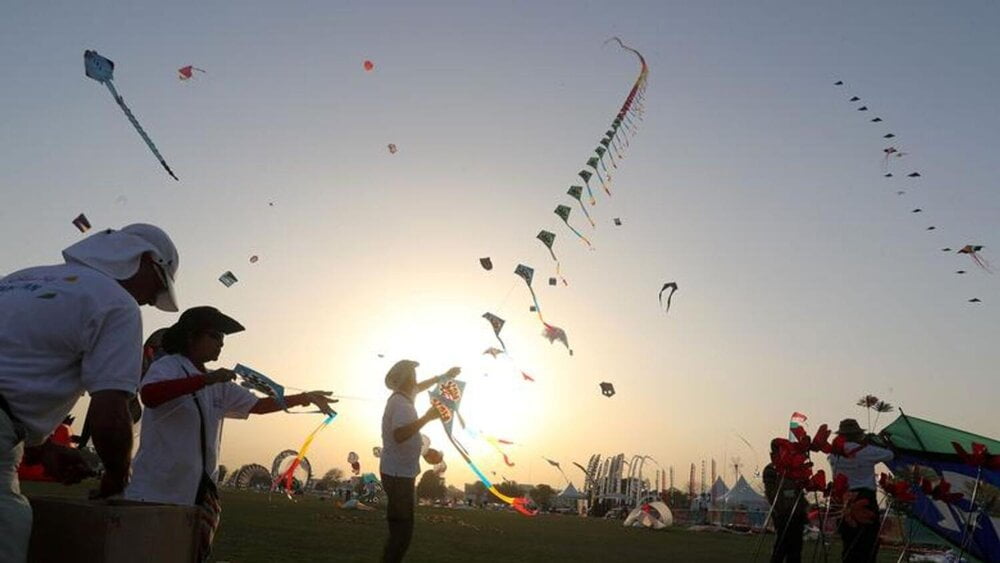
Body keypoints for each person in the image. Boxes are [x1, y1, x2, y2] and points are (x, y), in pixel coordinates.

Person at [0, 223, 179, 562]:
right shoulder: (117, 304)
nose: (149, 303)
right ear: (144, 261)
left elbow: (13, 378)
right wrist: (115, 474)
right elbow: (110, 410)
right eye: (156, 289)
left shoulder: (16, 279)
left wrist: (42, 450)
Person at [124, 306, 334, 558]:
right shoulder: (169, 366)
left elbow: (257, 405)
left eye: (223, 339)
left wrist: (304, 397)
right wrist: (205, 381)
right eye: (214, 336)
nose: (220, 344)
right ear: (191, 336)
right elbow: (150, 395)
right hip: (158, 488)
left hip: (198, 490)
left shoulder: (217, 380)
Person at [380, 360, 460, 563]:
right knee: (402, 534)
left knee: (400, 532)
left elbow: (422, 386)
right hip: (398, 476)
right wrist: (426, 418)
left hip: (398, 472)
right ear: (407, 379)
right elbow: (399, 435)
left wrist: (445, 376)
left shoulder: (403, 397)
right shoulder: (402, 404)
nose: (416, 380)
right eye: (413, 376)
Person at [827, 418, 894, 562]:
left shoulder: (833, 455)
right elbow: (890, 454)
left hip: (842, 499)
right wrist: (874, 442)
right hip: (865, 499)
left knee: (849, 543)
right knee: (868, 543)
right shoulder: (866, 451)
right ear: (858, 434)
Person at [763, 438, 808, 563]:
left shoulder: (793, 467)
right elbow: (771, 494)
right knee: (781, 548)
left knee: (795, 551)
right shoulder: (771, 469)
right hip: (782, 514)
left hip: (797, 513)